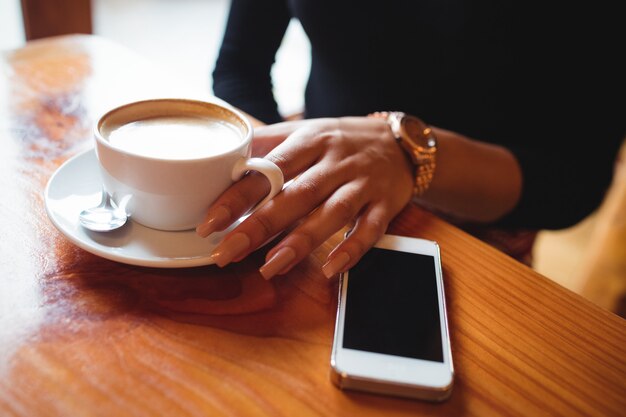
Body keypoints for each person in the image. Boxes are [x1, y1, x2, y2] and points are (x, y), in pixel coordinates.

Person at [197, 0, 625, 280]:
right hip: (314, 214)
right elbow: (239, 67)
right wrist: (288, 181)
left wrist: (406, 153)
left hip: (470, 240)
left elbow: (572, 181)